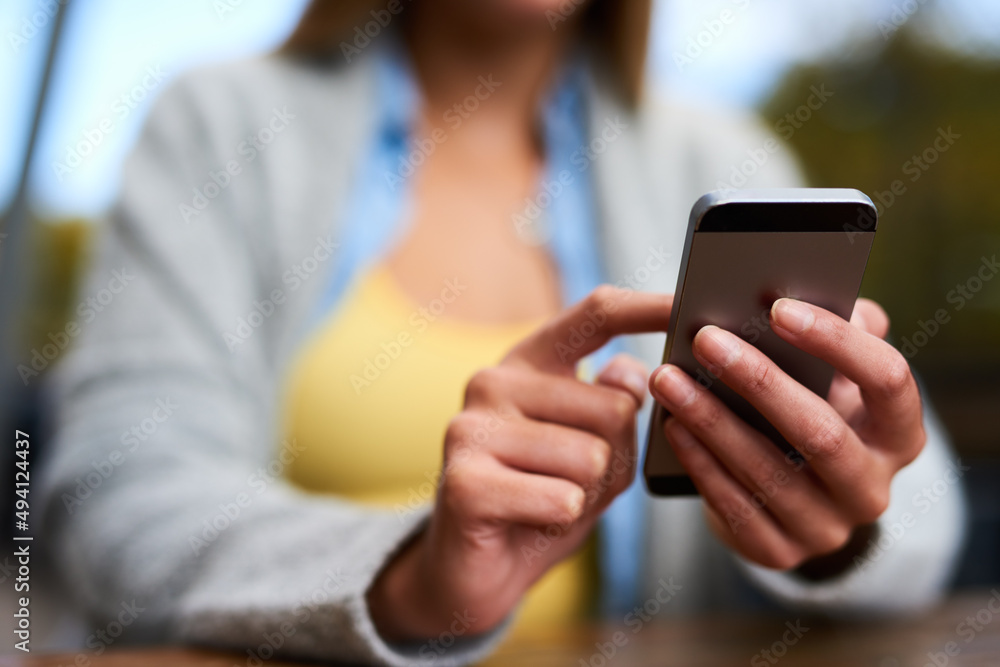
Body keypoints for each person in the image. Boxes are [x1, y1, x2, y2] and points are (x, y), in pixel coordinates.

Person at [40, 0, 965, 665]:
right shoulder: (220, 126)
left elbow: (923, 511)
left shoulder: (723, 155)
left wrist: (838, 526)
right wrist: (409, 584)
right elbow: (115, 499)